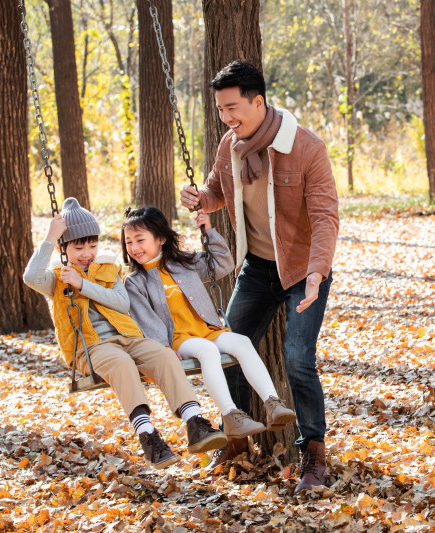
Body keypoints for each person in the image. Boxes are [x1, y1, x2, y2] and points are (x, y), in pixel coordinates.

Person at [179, 60, 339, 494]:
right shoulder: (229, 146)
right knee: (226, 346)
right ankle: (237, 440)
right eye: (221, 110)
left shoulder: (306, 148)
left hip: (304, 270)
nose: (227, 118)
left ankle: (314, 455)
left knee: (298, 358)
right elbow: (216, 192)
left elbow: (325, 218)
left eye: (233, 108)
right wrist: (199, 199)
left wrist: (317, 272)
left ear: (258, 102)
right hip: (257, 269)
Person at [23, 198, 228, 470]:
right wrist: (50, 237)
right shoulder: (57, 278)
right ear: (64, 247)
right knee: (122, 364)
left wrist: (83, 284)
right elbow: (30, 276)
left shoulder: (108, 270)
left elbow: (121, 303)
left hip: (129, 338)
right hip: (92, 347)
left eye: (92, 245)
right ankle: (148, 436)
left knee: (164, 355)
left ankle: (195, 423)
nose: (87, 253)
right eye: (78, 246)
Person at [121, 206, 297, 443]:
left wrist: (209, 231)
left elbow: (223, 264)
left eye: (140, 240)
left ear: (161, 238)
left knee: (242, 342)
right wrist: (163, 348)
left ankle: (273, 404)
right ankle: (231, 415)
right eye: (129, 241)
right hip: (179, 340)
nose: (134, 247)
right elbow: (146, 320)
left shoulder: (185, 263)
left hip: (208, 329)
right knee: (208, 351)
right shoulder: (135, 282)